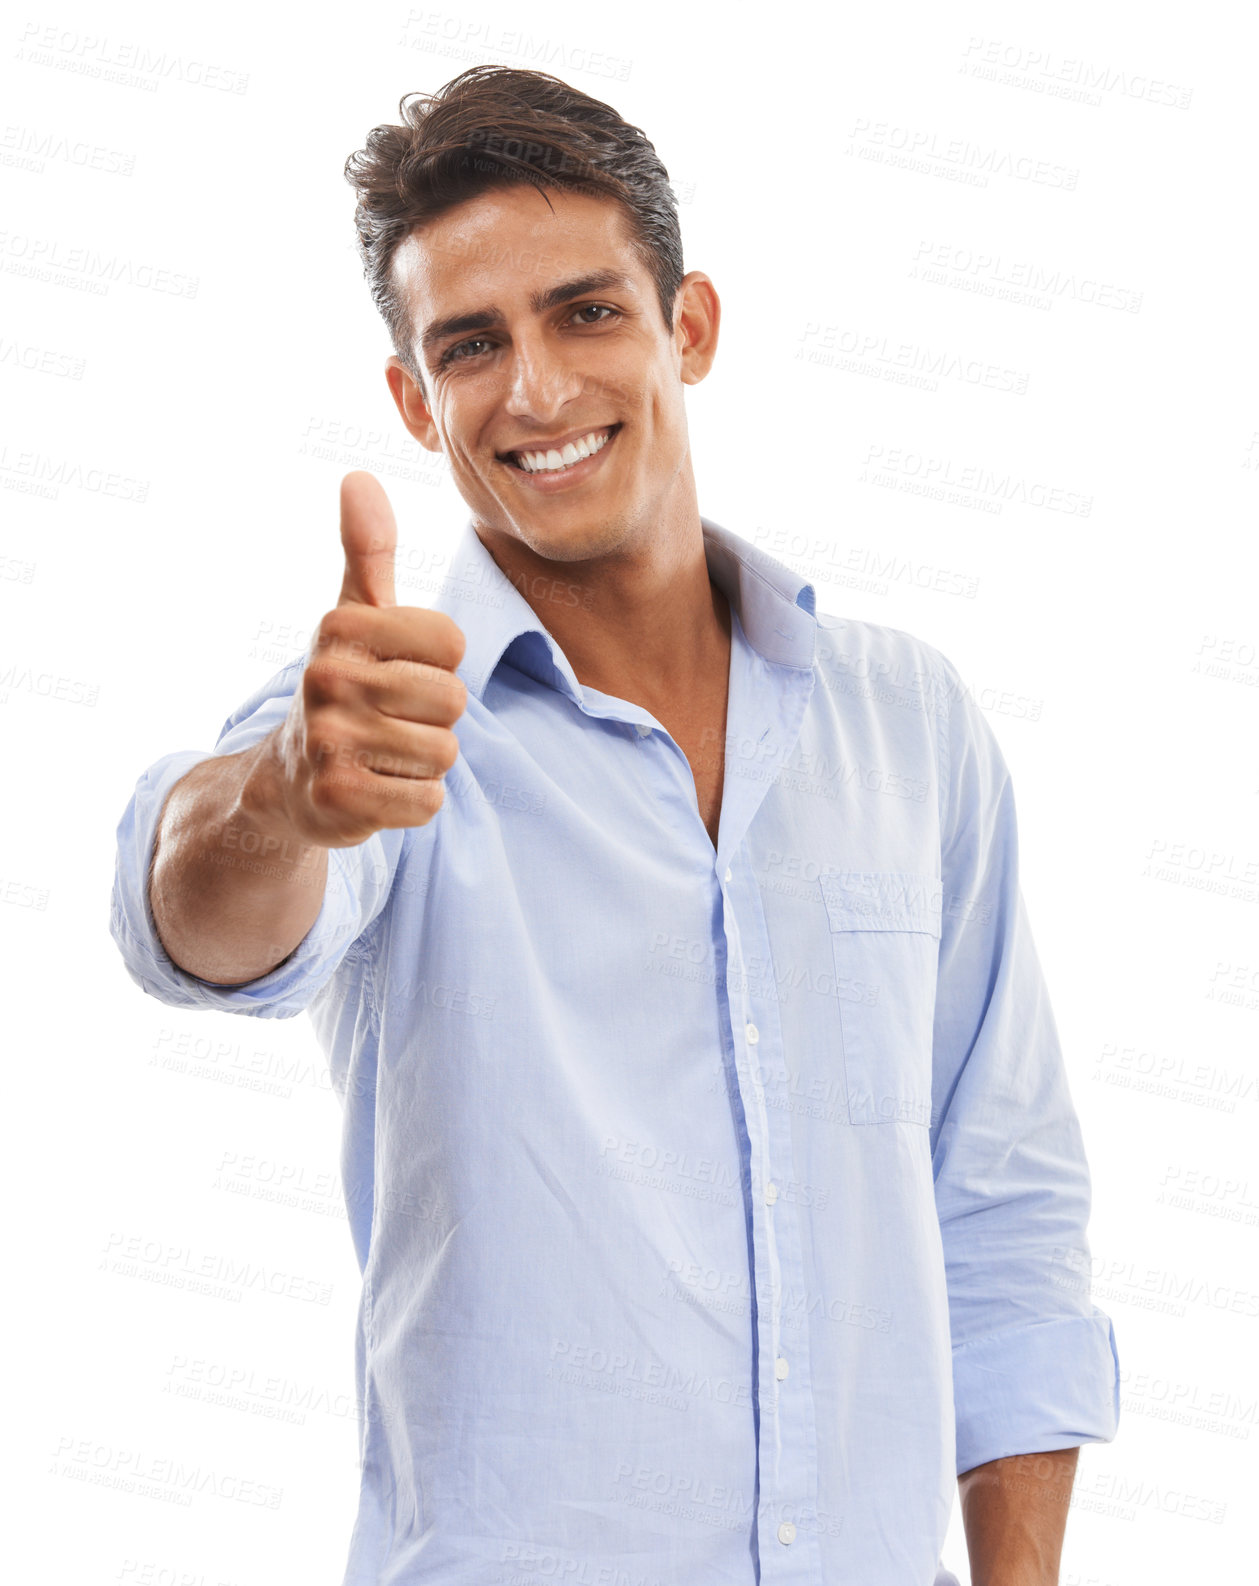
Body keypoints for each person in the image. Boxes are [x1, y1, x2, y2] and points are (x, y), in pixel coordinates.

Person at [109, 64, 1119, 1586]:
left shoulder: (909, 726)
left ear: (686, 326)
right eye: (470, 344)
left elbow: (1006, 1212)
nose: (535, 389)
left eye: (585, 312)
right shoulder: (382, 729)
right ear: (413, 398)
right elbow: (197, 919)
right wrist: (281, 802)